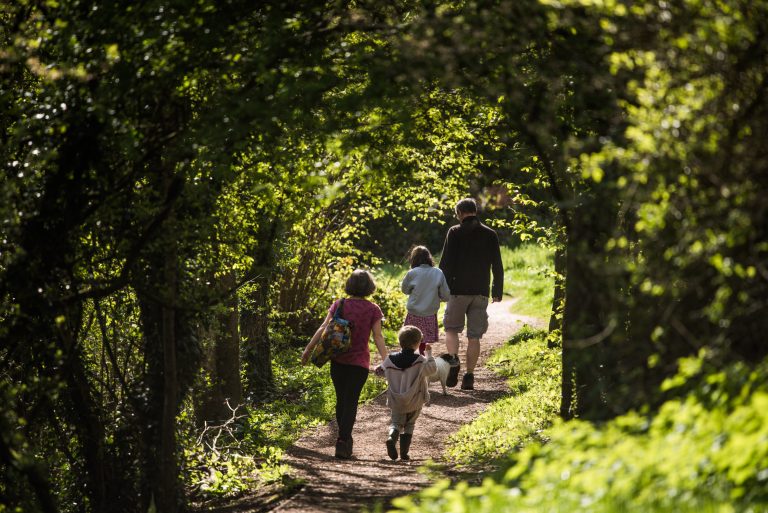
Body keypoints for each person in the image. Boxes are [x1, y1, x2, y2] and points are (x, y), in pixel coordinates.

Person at [301, 269, 389, 459]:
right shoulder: (373, 309)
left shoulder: (339, 304)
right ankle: (343, 440)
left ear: (350, 285)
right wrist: (387, 361)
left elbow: (324, 327)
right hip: (359, 363)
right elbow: (378, 336)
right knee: (351, 401)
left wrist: (308, 349)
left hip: (338, 360)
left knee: (341, 399)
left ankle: (343, 439)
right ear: (369, 287)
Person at [439, 198, 503, 391]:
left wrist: (441, 288)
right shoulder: (490, 234)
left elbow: (446, 264)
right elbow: (497, 266)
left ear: (459, 213)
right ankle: (469, 376)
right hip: (481, 291)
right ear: (475, 211)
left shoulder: (454, 232)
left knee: (451, 329)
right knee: (474, 336)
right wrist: (497, 291)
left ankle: (454, 361)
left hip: (457, 291)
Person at [379, 325, 437, 461]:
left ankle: (391, 438)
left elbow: (380, 371)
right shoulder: (420, 361)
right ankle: (404, 453)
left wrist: (379, 369)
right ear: (417, 344)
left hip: (396, 400)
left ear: (400, 342)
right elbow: (432, 369)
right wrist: (429, 354)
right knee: (410, 424)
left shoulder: (389, 360)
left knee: (396, 423)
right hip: (415, 400)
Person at [400, 245, 450, 355]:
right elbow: (446, 295)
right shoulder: (438, 273)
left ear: (414, 259)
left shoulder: (412, 273)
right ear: (429, 258)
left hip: (414, 312)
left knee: (409, 338)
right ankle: (422, 359)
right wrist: (437, 297)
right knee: (423, 340)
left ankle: (408, 358)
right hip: (430, 313)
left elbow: (404, 289)